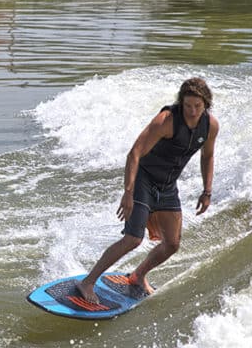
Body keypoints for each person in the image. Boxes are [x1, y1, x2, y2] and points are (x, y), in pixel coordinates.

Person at [75, 76, 219, 304]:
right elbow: (134, 153)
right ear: (181, 103)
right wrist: (128, 192)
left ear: (206, 105)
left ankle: (138, 275)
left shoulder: (210, 126)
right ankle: (88, 281)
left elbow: (208, 155)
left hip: (168, 186)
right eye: (188, 106)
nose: (192, 111)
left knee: (172, 244)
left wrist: (207, 190)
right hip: (144, 180)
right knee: (133, 238)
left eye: (198, 106)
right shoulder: (166, 120)